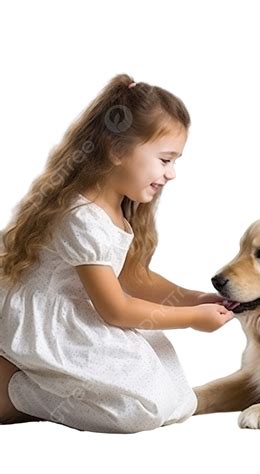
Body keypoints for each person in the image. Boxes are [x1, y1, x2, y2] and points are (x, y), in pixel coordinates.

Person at [0, 73, 236, 434]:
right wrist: (190, 318)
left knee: (175, 397)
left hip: (85, 313)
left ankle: (45, 384)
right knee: (136, 410)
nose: (171, 174)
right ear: (116, 150)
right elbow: (116, 309)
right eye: (165, 159)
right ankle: (16, 387)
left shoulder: (119, 208)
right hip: (47, 323)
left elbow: (133, 278)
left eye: (175, 162)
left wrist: (193, 298)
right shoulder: (81, 218)